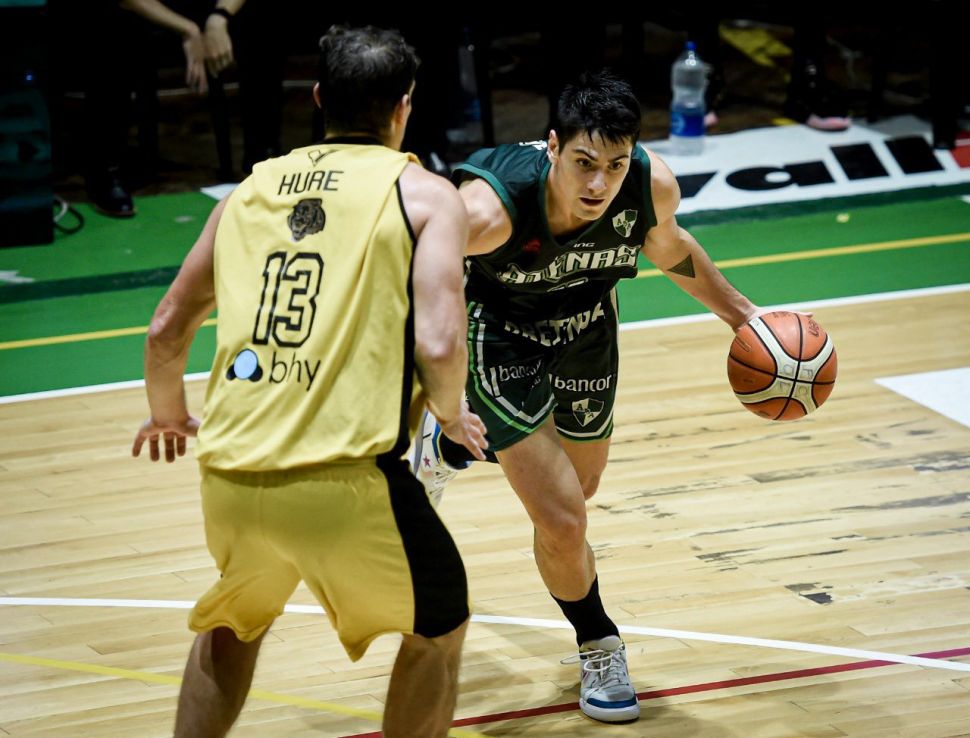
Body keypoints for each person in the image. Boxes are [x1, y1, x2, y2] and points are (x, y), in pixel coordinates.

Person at [132, 25, 487, 737]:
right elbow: (440, 341)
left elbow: (167, 327)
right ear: (405, 106)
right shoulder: (426, 195)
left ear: (319, 98)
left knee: (235, 623)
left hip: (231, 475)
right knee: (439, 628)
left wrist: (168, 416)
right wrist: (450, 415)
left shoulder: (245, 194)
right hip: (347, 481)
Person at [411, 70, 765, 723]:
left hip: (586, 329)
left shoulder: (649, 187)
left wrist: (747, 317)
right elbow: (419, 280)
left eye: (615, 165)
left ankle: (448, 452)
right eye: (583, 163)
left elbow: (669, 247)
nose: (599, 183)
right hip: (500, 338)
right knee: (565, 521)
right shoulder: (489, 210)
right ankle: (599, 642)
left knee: (583, 485)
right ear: (553, 146)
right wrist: (441, 392)